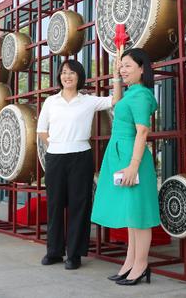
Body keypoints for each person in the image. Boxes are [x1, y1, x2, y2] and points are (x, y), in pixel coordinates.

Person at [36, 59, 121, 270]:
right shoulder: (50, 101)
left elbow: (115, 100)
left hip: (81, 156)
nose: (67, 76)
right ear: (59, 76)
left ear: (79, 77)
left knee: (79, 207)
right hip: (55, 157)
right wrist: (57, 144)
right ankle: (54, 252)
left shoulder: (88, 101)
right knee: (55, 206)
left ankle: (74, 255)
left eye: (72, 73)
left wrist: (117, 75)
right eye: (64, 72)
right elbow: (41, 130)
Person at [91, 48, 159, 286]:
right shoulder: (132, 93)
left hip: (133, 159)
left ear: (142, 69)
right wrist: (116, 75)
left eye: (128, 65)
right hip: (121, 156)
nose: (123, 69)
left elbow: (142, 131)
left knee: (139, 216)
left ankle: (141, 265)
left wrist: (133, 166)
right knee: (131, 215)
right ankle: (130, 262)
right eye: (122, 65)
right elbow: (117, 103)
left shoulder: (140, 96)